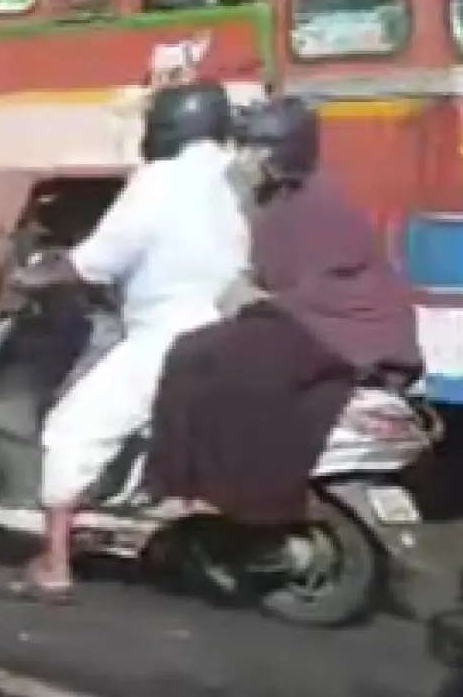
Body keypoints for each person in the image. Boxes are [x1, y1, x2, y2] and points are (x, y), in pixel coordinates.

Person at [8, 80, 251, 603]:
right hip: (239, 327)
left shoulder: (158, 181)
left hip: (169, 334)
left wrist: (36, 275)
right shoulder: (236, 174)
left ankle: (54, 566)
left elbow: (98, 259)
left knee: (72, 429)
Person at [146, 97, 421, 523]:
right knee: (201, 353)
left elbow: (313, 284)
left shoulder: (316, 203)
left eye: (259, 148)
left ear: (284, 152)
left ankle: (209, 490)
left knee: (207, 359)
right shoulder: (285, 199)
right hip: (319, 324)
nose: (247, 158)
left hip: (341, 331)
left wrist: (257, 301)